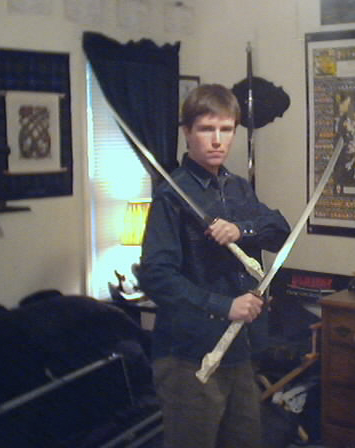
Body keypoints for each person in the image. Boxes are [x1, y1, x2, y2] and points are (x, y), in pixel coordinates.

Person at [137, 83, 291, 448]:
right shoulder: (170, 195)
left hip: (240, 349)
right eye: (207, 129)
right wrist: (223, 306)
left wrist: (241, 229)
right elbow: (156, 275)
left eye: (226, 129)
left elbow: (279, 231)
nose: (217, 140)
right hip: (189, 355)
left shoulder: (237, 188)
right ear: (187, 131)